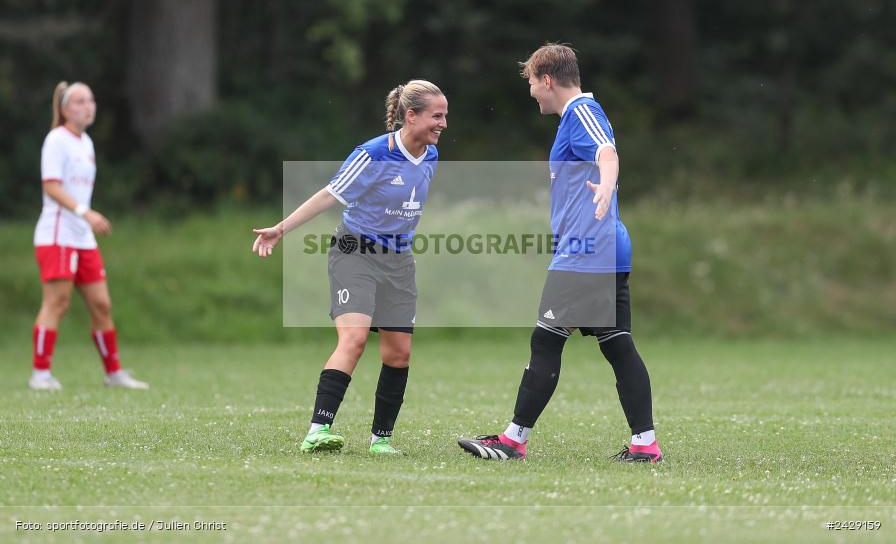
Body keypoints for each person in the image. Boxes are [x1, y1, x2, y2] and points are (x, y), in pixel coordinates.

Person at [457, 44, 662, 462]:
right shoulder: (575, 117)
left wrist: (606, 185)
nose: (532, 91)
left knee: (545, 340)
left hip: (586, 253)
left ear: (547, 80)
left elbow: (607, 152)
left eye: (532, 83)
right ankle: (645, 444)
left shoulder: (582, 112)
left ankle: (513, 440)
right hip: (604, 248)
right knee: (618, 344)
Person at [252, 79, 446, 455]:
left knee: (398, 353)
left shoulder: (432, 156)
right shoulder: (372, 153)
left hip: (399, 262)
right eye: (436, 116)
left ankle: (381, 440)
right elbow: (329, 194)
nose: (443, 124)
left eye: (445, 116)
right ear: (411, 115)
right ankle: (317, 430)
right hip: (354, 253)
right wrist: (280, 229)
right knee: (354, 339)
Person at [30, 81, 149, 391]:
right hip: (57, 233)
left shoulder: (86, 143)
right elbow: (51, 186)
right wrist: (86, 212)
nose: (88, 106)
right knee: (58, 302)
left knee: (102, 304)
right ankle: (40, 374)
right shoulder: (56, 140)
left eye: (91, 100)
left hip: (82, 236)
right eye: (80, 101)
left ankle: (114, 374)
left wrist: (85, 218)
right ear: (65, 109)